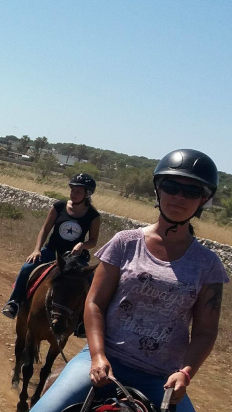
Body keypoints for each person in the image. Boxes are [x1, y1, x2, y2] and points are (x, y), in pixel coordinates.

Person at [31, 149, 228, 411]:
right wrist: (98, 356)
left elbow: (205, 331)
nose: (179, 197)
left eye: (192, 191)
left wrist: (185, 373)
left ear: (204, 199)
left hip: (161, 378)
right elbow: (94, 303)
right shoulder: (125, 243)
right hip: (102, 362)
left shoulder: (208, 265)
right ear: (158, 189)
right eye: (171, 187)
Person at [1, 173, 101, 319]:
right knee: (26, 268)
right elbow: (45, 229)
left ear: (87, 194)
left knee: (90, 280)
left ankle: (83, 320)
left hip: (73, 258)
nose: (73, 194)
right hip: (51, 251)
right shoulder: (59, 206)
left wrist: (82, 245)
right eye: (72, 190)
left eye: (78, 191)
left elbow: (93, 241)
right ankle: (14, 302)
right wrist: (37, 250)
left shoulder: (93, 216)